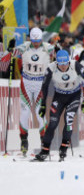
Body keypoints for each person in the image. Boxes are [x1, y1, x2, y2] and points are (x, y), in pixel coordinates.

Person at [34, 50, 84, 161]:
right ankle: (44, 151)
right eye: (60, 65)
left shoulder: (75, 65)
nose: (63, 67)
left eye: (65, 64)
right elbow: (44, 86)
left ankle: (63, 148)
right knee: (53, 123)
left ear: (68, 62)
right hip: (59, 97)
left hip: (74, 96)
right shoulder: (51, 68)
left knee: (68, 120)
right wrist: (43, 104)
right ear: (56, 63)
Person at [12, 27, 54, 155]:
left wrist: (57, 48)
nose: (36, 43)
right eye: (34, 41)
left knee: (39, 114)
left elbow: (58, 57)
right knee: (25, 113)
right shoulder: (24, 47)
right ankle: (24, 140)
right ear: (30, 38)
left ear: (41, 39)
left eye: (38, 41)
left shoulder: (48, 47)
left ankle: (43, 143)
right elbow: (12, 55)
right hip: (26, 84)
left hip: (40, 84)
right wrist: (11, 49)